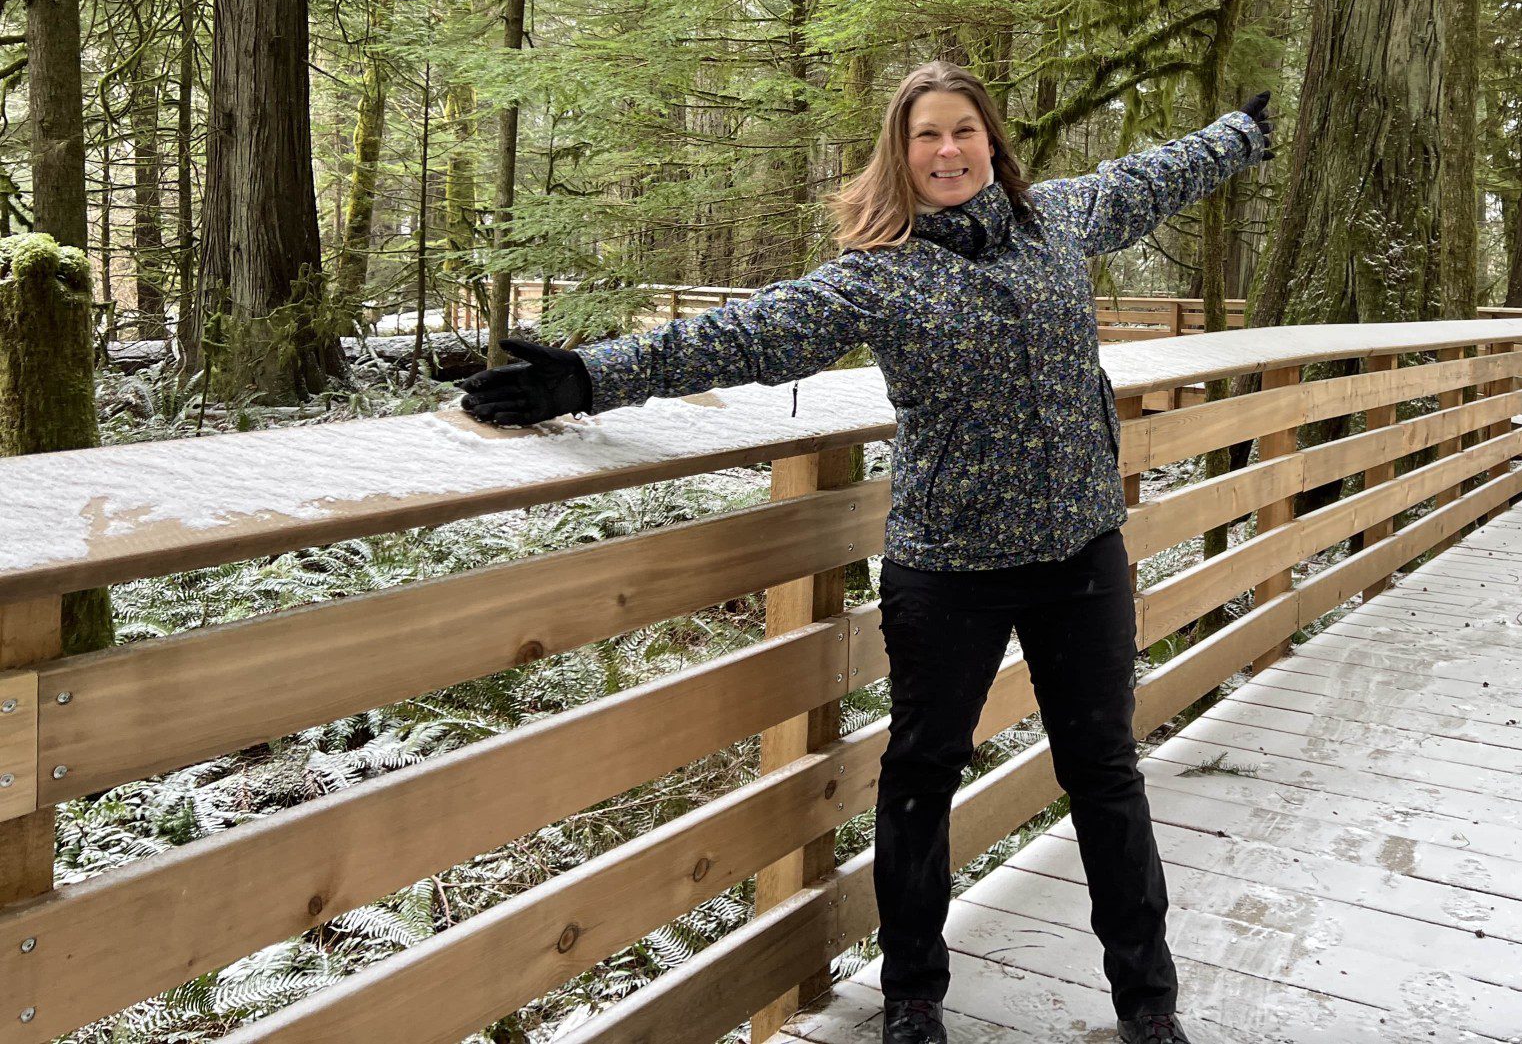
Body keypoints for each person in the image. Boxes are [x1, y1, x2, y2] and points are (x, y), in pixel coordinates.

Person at [457, 62, 1274, 1043]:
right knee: (922, 773)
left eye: (962, 131)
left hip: (1079, 557)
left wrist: (1237, 134)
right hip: (947, 572)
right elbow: (748, 334)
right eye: (925, 136)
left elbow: (1154, 175)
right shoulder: (878, 276)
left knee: (1103, 773)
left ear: (990, 141)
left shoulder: (1058, 219)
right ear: (901, 155)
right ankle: (912, 999)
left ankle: (1148, 1008)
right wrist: (588, 378)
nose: (946, 151)